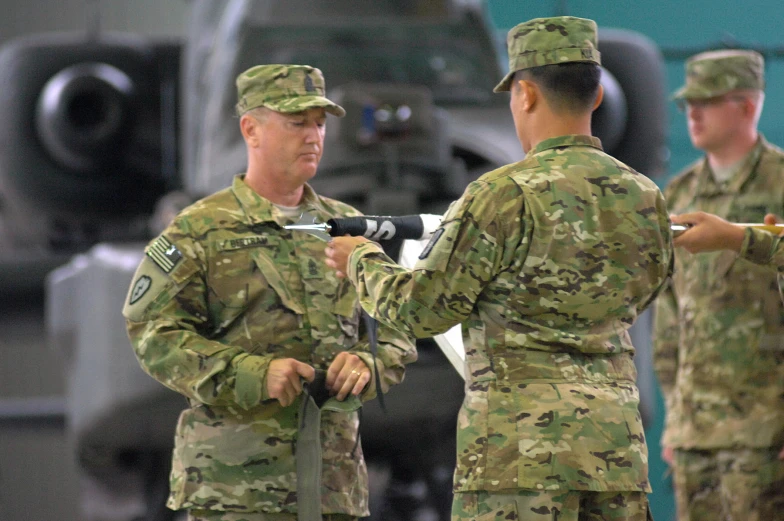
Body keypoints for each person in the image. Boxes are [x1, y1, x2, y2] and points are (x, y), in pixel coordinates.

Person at [325, 16, 673, 521]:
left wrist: (361, 257)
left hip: (519, 457)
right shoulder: (646, 196)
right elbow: (646, 292)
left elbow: (421, 311)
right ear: (597, 97)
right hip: (614, 451)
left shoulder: (500, 194)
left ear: (526, 94)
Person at [122, 64, 417, 521]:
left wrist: (370, 361)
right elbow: (151, 334)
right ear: (251, 129)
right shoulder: (199, 230)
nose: (314, 136)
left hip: (331, 489)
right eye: (297, 123)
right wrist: (251, 375)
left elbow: (396, 323)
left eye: (320, 123)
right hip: (237, 492)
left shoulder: (345, 226)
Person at [653, 49, 784, 521]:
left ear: (747, 106)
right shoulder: (680, 194)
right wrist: (673, 410)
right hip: (695, 429)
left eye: (707, 101)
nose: (694, 113)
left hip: (766, 426)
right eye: (689, 103)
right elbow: (668, 309)